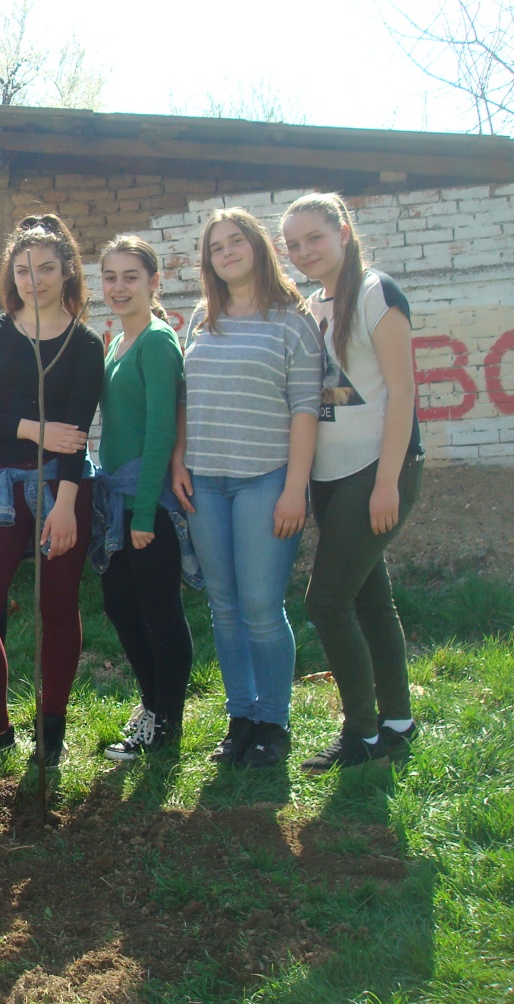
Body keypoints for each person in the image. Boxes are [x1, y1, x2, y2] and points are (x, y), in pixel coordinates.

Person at [0, 213, 104, 766]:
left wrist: (67, 506)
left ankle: (51, 729)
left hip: (62, 487)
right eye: (24, 270)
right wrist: (34, 429)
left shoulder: (85, 344)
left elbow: (75, 436)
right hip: (0, 488)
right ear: (12, 274)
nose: (35, 280)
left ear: (67, 270)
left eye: (47, 268)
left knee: (57, 607)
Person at [170, 208, 323, 769]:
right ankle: (241, 717)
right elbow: (187, 396)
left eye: (236, 241)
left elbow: (305, 408)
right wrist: (179, 458)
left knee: (260, 605)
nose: (227, 252)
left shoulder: (292, 321)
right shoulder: (202, 318)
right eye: (216, 247)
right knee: (225, 606)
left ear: (258, 246)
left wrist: (295, 489)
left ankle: (273, 722)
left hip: (266, 479)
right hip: (204, 482)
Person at [281, 193, 423, 773]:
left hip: (376, 471)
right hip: (329, 477)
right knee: (369, 599)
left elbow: (403, 392)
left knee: (326, 602)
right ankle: (397, 722)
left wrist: (388, 481)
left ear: (342, 232)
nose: (304, 252)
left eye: (314, 237)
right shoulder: (312, 306)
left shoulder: (374, 293)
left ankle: (361, 734)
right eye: (293, 245)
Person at [90, 235, 198, 760]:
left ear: (154, 282)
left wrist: (146, 512)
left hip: (145, 500)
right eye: (110, 277)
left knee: (159, 611)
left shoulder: (157, 341)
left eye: (130, 277)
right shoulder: (118, 341)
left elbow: (160, 431)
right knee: (120, 605)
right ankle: (152, 704)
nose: (119, 287)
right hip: (116, 499)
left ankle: (166, 722)